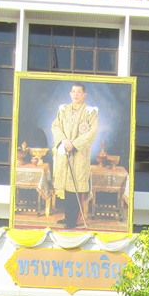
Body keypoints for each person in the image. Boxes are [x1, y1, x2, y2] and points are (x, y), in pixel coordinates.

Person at [51, 82, 98, 228]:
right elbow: (56, 126)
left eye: (79, 92)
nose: (75, 94)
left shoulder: (90, 112)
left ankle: (73, 221)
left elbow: (92, 133)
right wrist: (63, 141)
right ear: (70, 94)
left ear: (84, 95)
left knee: (75, 186)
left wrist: (75, 144)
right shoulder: (63, 110)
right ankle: (67, 217)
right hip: (64, 152)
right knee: (66, 186)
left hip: (79, 154)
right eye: (73, 91)